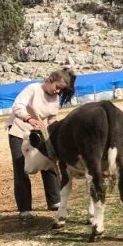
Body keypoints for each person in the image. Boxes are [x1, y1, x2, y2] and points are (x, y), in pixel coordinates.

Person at [7, 68, 75, 219]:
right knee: (21, 169)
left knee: (49, 163)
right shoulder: (32, 89)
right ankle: (24, 209)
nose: (58, 92)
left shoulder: (55, 98)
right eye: (57, 87)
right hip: (19, 131)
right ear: (50, 79)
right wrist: (29, 119)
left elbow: (51, 119)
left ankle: (54, 201)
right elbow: (18, 106)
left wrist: (55, 132)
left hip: (40, 134)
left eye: (61, 90)